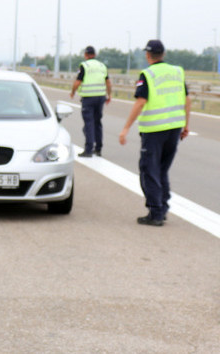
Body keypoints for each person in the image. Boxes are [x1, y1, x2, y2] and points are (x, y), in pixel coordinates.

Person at [117, 40, 191, 226]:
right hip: (174, 128)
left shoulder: (147, 74)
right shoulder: (177, 72)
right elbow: (187, 100)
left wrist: (126, 128)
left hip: (154, 131)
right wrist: (186, 125)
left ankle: (156, 213)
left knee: (149, 170)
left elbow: (140, 102)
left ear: (148, 55)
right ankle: (163, 207)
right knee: (162, 170)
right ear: (163, 54)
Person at [69, 46, 112, 157]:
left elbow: (78, 82)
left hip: (88, 98)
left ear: (86, 55)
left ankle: (88, 150)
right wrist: (109, 95)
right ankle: (98, 149)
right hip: (101, 97)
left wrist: (73, 92)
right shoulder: (102, 66)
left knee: (89, 123)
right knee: (97, 123)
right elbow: (108, 82)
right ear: (95, 54)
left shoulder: (85, 66)